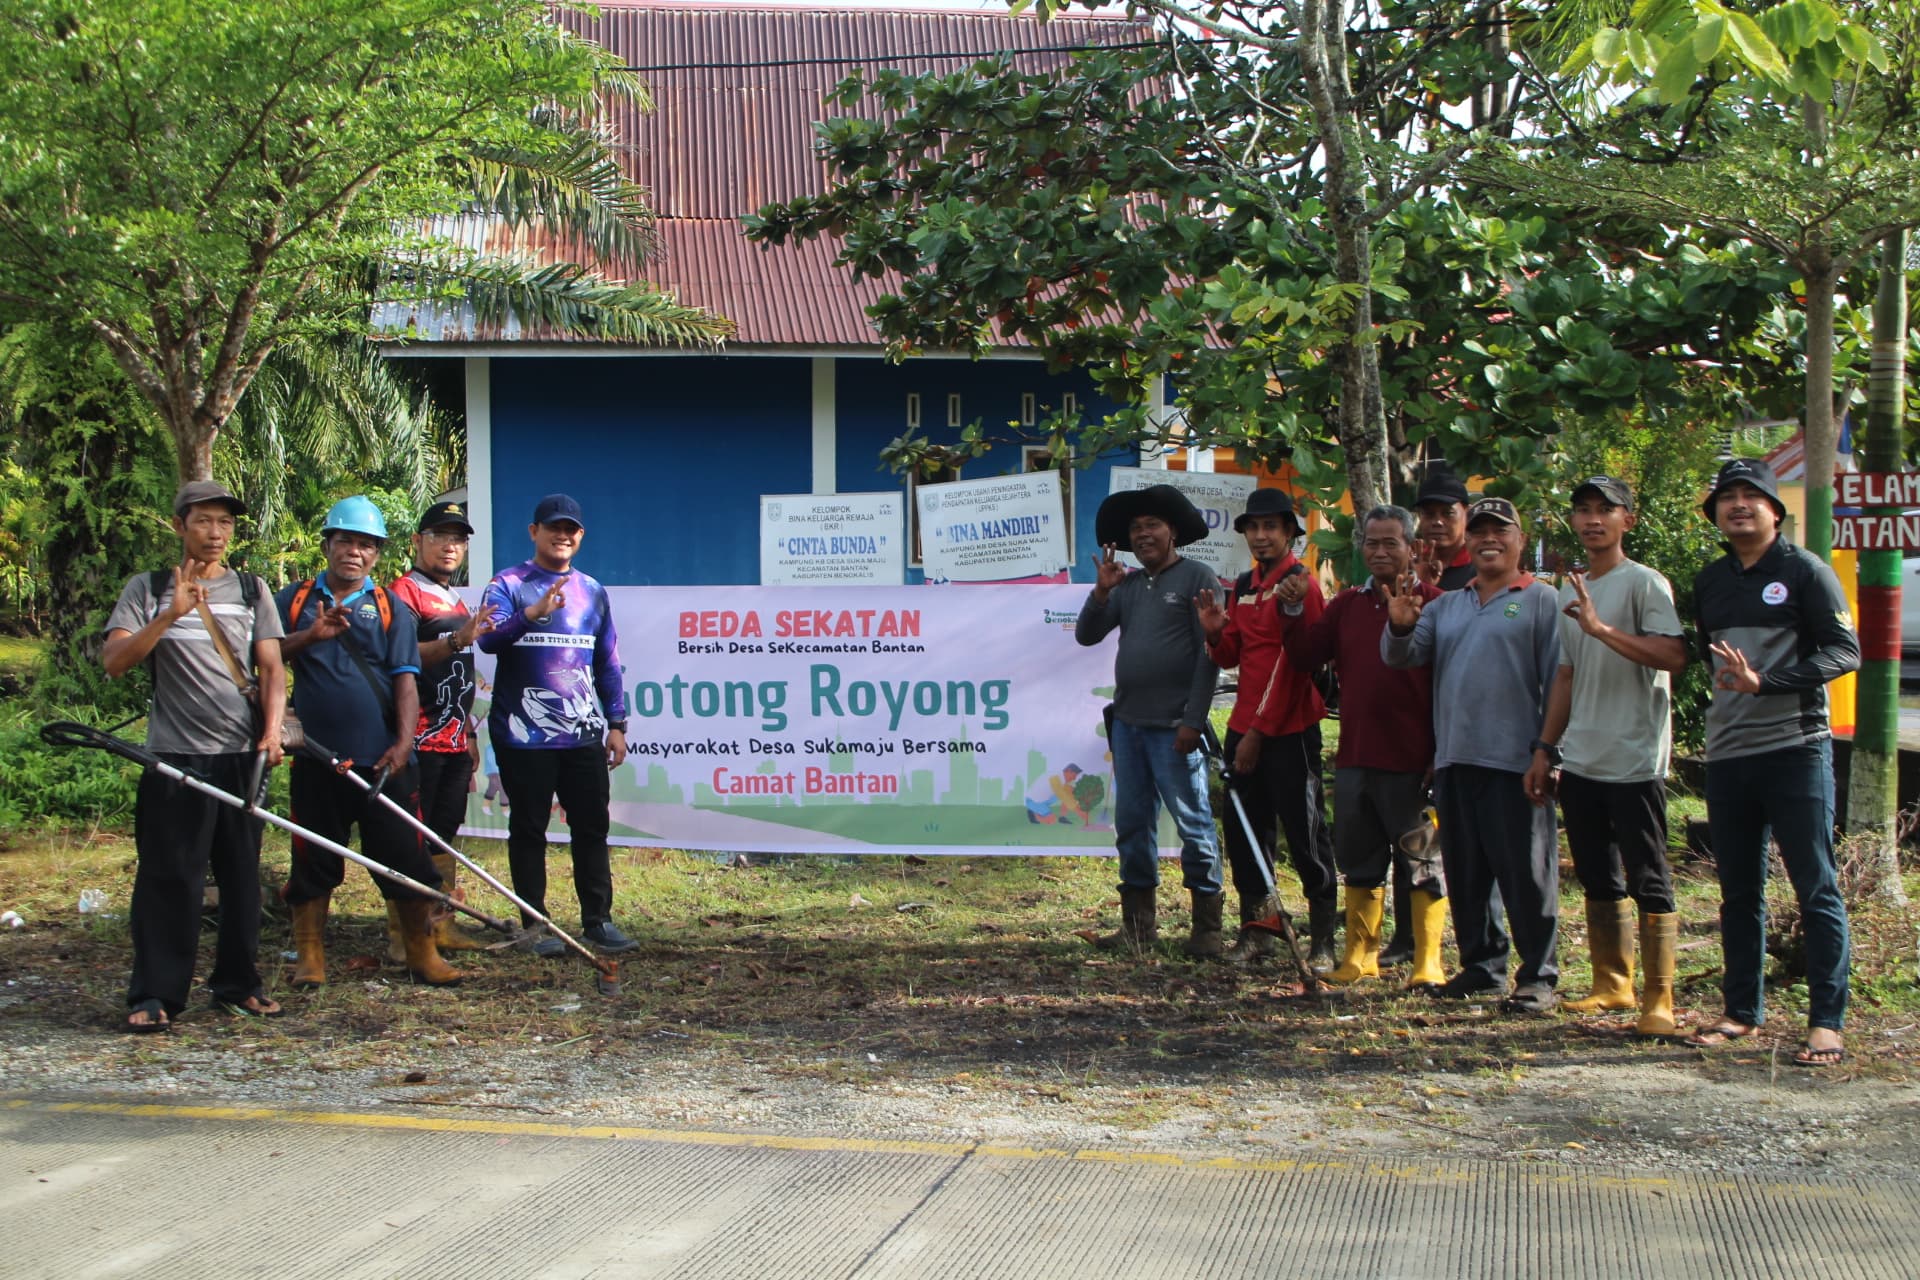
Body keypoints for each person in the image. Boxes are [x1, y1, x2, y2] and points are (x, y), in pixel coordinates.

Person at [1688, 458, 1859, 1066]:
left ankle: (1826, 1022)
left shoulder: (1806, 572)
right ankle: (1741, 1012)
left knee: (1816, 887)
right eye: (1726, 497)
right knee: (1738, 892)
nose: (1738, 505)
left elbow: (1845, 652)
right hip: (1730, 755)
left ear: (1774, 511)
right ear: (1715, 515)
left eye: (1750, 496)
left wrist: (1769, 682)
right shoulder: (1711, 581)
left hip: (1796, 750)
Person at [101, 481, 288, 1031]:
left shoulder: (252, 590)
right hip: (174, 758)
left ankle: (238, 986)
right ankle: (156, 995)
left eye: (225, 523)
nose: (215, 533)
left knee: (241, 877)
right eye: (204, 521)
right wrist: (168, 615)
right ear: (180, 525)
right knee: (170, 878)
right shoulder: (149, 588)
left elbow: (271, 669)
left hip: (240, 756)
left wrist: (272, 733)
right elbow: (114, 661)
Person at [1383, 496, 1563, 1012]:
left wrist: (1548, 752)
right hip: (1457, 759)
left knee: (1527, 872)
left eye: (1500, 531)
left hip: (1517, 761)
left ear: (1520, 541)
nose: (1489, 540)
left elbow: (1559, 680)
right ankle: (1482, 967)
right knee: (1468, 871)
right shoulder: (1446, 605)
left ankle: (1538, 976)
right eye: (1480, 531)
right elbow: (1402, 657)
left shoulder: (1539, 600)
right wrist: (1398, 624)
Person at [277, 495, 462, 987]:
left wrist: (403, 745)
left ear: (377, 553)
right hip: (316, 758)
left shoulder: (389, 608)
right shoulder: (293, 601)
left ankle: (421, 954)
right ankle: (310, 959)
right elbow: (267, 659)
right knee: (313, 857)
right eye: (345, 541)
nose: (353, 552)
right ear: (327, 544)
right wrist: (311, 636)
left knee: (405, 856)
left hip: (384, 760)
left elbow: (405, 678)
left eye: (365, 545)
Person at [1529, 477, 1689, 1035]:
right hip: (1583, 755)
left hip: (1634, 755)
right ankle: (1611, 984)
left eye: (1605, 510)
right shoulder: (1568, 591)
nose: (1592, 520)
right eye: (1582, 510)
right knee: (1599, 872)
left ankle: (1659, 998)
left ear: (1628, 520)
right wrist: (1546, 749)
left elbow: (1673, 655)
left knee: (1649, 873)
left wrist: (1602, 629)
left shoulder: (1645, 583)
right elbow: (1566, 678)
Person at [1278, 504, 1448, 990]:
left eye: (1390, 542)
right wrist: (1291, 609)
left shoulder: (1437, 603)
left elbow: (1449, 685)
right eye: (1371, 542)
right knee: (1360, 857)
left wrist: (1440, 751)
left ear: (1412, 549)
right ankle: (1360, 955)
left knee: (1422, 858)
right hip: (1355, 754)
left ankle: (1427, 960)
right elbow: (1307, 655)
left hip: (1415, 758)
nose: (1378, 551)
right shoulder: (1349, 604)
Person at [476, 494, 637, 957]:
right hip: (523, 735)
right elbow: (487, 641)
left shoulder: (592, 590)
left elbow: (607, 661)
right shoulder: (507, 583)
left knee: (591, 828)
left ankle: (598, 922)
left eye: (570, 529)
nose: (561, 535)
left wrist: (617, 723)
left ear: (580, 536)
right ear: (534, 532)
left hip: (584, 734)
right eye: (552, 527)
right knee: (528, 830)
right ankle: (534, 927)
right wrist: (531, 615)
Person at [1075, 484, 1224, 955]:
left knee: (1193, 823)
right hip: (1130, 726)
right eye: (1136, 529)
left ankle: (1208, 929)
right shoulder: (1130, 586)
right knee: (1132, 824)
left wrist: (1194, 721)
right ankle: (1138, 927)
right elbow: (1086, 636)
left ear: (1173, 532)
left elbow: (1209, 657)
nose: (1143, 535)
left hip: (1175, 727)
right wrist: (1102, 591)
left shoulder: (1199, 578)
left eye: (1152, 526)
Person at [1195, 488, 1340, 969]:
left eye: (1271, 527)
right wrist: (1215, 633)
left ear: (1290, 533)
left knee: (1306, 833)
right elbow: (1233, 655)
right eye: (1253, 528)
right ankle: (1259, 931)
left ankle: (1322, 940)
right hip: (1243, 726)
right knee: (1244, 833)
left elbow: (1295, 665)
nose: (1260, 536)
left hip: (1289, 729)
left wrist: (1259, 732)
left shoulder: (1302, 586)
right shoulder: (1243, 585)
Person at [1376, 461, 1478, 967]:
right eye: (1428, 514)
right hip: (1409, 724)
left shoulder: (1478, 572)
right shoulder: (1406, 577)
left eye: (1447, 513)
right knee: (1410, 838)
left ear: (1466, 516)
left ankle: (1470, 948)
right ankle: (1407, 938)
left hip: (1467, 725)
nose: (1437, 522)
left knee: (1466, 846)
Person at [383, 500, 493, 961]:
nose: (450, 546)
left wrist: (468, 732)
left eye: (458, 539)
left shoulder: (453, 596)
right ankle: (402, 937)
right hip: (418, 738)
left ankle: (439, 925)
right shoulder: (404, 592)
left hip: (451, 739)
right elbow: (402, 660)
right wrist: (455, 640)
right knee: (410, 837)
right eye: (440, 536)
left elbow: (460, 675)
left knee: (444, 832)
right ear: (417, 542)